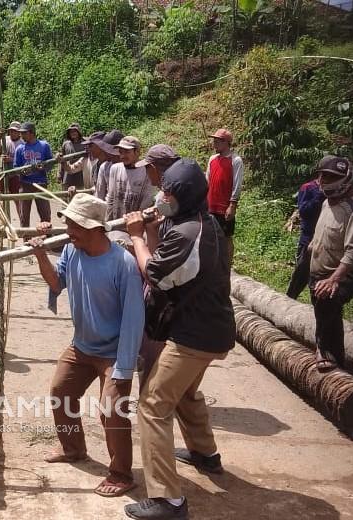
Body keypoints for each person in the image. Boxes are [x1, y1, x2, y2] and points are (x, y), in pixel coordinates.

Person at [124, 159, 235, 520]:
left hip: (194, 335)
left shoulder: (189, 233)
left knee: (153, 405)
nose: (161, 196)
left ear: (183, 196)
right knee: (185, 391)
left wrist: (138, 236)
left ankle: (167, 500)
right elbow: (166, 261)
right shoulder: (203, 222)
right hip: (213, 326)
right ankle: (206, 453)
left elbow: (154, 270)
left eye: (168, 192)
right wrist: (154, 231)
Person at [29, 194, 144, 498]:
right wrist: (41, 255)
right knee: (60, 392)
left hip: (114, 351)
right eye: (67, 223)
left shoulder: (124, 264)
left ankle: (121, 473)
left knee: (111, 409)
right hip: (82, 346)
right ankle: (73, 447)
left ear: (94, 228)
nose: (68, 230)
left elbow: (134, 320)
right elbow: (56, 284)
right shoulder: (71, 250)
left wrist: (123, 368)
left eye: (73, 225)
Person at [307, 155, 353, 372]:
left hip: (346, 274)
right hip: (320, 271)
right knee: (326, 314)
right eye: (322, 175)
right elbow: (323, 230)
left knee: (327, 300)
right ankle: (338, 358)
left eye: (330, 177)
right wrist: (314, 244)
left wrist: (333, 280)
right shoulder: (326, 204)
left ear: (344, 180)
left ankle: (324, 351)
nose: (323, 181)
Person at [205, 128, 244, 265]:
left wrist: (232, 205)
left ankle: (227, 266)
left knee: (226, 237)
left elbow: (237, 184)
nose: (214, 143)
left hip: (225, 206)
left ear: (226, 142)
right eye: (214, 140)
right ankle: (213, 263)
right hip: (211, 205)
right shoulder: (213, 159)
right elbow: (207, 180)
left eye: (217, 141)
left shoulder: (236, 160)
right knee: (211, 235)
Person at [286, 176, 324, 299]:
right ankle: (289, 300)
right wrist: (319, 196)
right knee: (300, 274)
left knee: (320, 278)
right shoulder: (308, 188)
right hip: (308, 240)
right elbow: (303, 211)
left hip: (326, 242)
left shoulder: (337, 192)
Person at [103, 136, 156, 220]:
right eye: (120, 152)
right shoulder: (115, 168)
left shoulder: (147, 171)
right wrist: (108, 220)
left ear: (137, 152)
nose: (122, 156)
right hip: (116, 222)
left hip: (137, 222)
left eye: (127, 152)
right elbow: (110, 198)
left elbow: (147, 201)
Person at [14, 121, 53, 226]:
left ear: (31, 133)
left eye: (24, 133)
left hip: (41, 184)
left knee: (45, 215)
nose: (21, 135)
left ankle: (47, 237)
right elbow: (16, 168)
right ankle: (26, 239)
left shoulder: (44, 146)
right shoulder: (19, 149)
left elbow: (50, 165)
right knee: (24, 216)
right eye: (21, 133)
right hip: (25, 184)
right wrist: (22, 171)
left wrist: (43, 167)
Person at [0, 121, 24, 219]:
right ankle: (3, 222)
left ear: (19, 132)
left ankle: (22, 223)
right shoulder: (4, 139)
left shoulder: (22, 143)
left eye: (15, 131)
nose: (12, 133)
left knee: (17, 199)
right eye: (11, 131)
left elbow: (23, 160)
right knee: (1, 197)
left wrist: (11, 159)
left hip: (16, 175)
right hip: (2, 172)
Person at [58, 122, 86, 189]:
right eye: (71, 132)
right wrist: (59, 173)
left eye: (75, 131)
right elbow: (61, 160)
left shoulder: (85, 143)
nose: (73, 133)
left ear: (78, 132)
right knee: (66, 195)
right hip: (68, 173)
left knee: (80, 195)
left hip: (81, 174)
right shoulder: (66, 144)